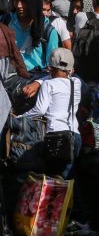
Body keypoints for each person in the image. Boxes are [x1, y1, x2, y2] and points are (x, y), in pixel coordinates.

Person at [16, 48, 82, 176]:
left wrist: (20, 117)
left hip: (56, 137)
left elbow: (40, 110)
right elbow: (62, 77)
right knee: (68, 181)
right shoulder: (76, 83)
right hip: (75, 136)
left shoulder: (48, 85)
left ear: (51, 68)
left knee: (53, 182)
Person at [6, 0, 60, 71]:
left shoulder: (48, 32)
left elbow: (52, 68)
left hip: (34, 80)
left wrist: (37, 83)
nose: (19, 5)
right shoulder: (6, 21)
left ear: (34, 2)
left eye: (24, 1)